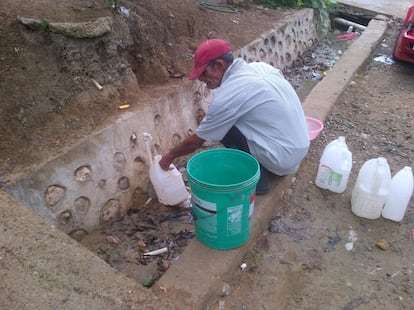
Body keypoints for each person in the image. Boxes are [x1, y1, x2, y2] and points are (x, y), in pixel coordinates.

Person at [159, 38, 310, 194]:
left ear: (219, 65)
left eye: (204, 73)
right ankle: (259, 165)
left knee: (225, 128)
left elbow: (197, 140)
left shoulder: (229, 95)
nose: (202, 80)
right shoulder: (260, 67)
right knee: (227, 122)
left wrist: (168, 158)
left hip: (281, 160)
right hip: (298, 149)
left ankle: (257, 181)